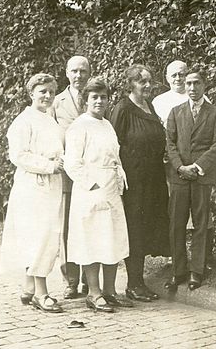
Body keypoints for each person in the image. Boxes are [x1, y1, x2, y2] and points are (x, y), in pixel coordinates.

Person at [64, 78, 131, 313]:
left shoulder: (107, 124)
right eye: (95, 97)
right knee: (92, 239)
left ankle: (110, 291)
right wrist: (92, 186)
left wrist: (118, 180)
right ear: (86, 100)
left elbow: (115, 156)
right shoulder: (79, 126)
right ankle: (93, 293)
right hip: (91, 191)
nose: (100, 101)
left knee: (112, 239)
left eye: (103, 97)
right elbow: (72, 163)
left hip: (111, 190)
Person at [0, 73, 64, 313]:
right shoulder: (23, 121)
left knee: (47, 234)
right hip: (33, 184)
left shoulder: (50, 120)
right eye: (42, 92)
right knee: (39, 236)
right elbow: (19, 155)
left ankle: (28, 287)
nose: (47, 96)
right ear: (31, 94)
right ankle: (41, 293)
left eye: (50, 91)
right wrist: (49, 166)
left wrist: (60, 163)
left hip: (51, 184)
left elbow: (58, 149)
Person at [110, 64, 170, 302]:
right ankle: (134, 283)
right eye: (141, 81)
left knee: (146, 226)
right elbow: (113, 146)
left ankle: (139, 281)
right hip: (133, 180)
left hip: (153, 176)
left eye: (149, 81)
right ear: (130, 84)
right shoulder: (123, 109)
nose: (147, 85)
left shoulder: (149, 106)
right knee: (134, 227)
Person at [164, 67, 216, 291]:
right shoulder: (175, 112)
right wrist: (180, 167)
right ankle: (178, 271)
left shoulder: (215, 113)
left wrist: (197, 166)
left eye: (196, 83)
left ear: (204, 85)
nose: (191, 87)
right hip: (180, 177)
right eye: (188, 83)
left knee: (201, 225)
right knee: (176, 224)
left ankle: (196, 271)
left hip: (201, 177)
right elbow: (169, 144)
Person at [152, 60, 215, 271]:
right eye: (175, 76)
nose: (181, 81)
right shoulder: (164, 104)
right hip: (174, 168)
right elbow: (167, 140)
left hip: (200, 171)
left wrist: (198, 166)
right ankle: (177, 264)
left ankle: (199, 265)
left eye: (183, 75)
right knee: (176, 219)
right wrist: (179, 166)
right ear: (166, 78)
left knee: (201, 218)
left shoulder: (209, 107)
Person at [51, 55, 91, 299]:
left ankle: (90, 279)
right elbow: (50, 136)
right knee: (66, 228)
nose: (79, 76)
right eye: (74, 71)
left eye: (83, 71)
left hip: (90, 174)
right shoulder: (56, 102)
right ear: (66, 73)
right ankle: (71, 280)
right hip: (66, 176)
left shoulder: (96, 99)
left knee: (88, 224)